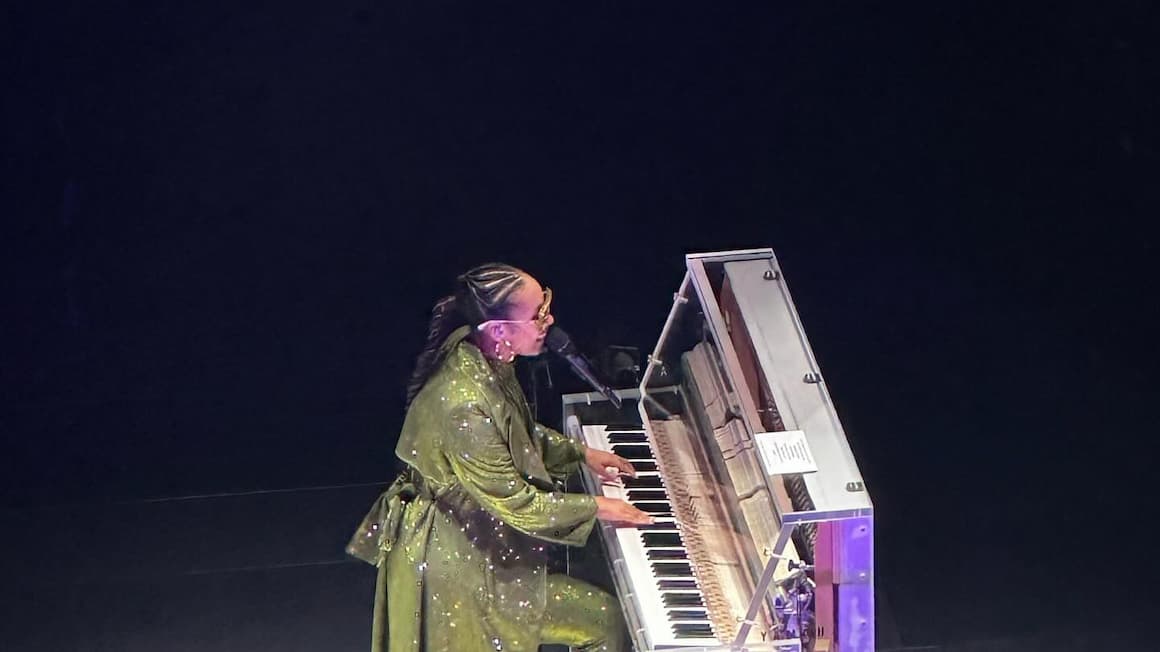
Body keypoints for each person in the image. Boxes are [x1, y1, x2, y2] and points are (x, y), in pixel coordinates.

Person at [348, 263, 653, 652]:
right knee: (602, 619)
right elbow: (519, 502)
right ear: (498, 331)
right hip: (454, 559)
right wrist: (597, 507)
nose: (549, 320)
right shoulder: (464, 404)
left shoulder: (488, 358)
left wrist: (580, 453)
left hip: (472, 526)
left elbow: (514, 433)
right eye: (538, 315)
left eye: (547, 304)